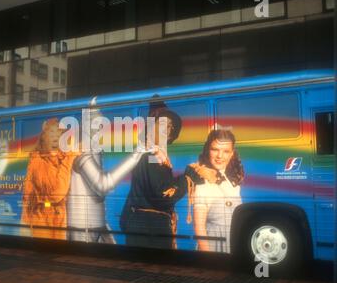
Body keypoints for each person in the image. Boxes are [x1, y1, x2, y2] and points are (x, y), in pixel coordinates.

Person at [120, 99, 208, 249]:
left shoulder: (158, 156)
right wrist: (188, 176)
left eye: (169, 126)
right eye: (161, 125)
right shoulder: (151, 156)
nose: (166, 129)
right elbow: (163, 195)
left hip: (147, 226)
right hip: (147, 227)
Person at [67, 98, 146, 243]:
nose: (100, 130)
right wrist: (136, 155)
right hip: (84, 228)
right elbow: (102, 185)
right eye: (96, 125)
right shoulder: (80, 153)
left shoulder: (93, 150)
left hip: (96, 225)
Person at [21, 118, 79, 240]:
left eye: (59, 133)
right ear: (44, 135)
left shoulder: (60, 157)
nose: (56, 136)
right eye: (52, 132)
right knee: (45, 254)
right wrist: (70, 157)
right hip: (41, 217)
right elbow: (56, 193)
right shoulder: (37, 161)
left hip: (59, 216)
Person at [192, 129, 244, 253]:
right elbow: (199, 227)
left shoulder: (232, 183)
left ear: (232, 154)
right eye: (215, 149)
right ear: (207, 150)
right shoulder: (203, 183)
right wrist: (207, 257)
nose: (220, 156)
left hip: (233, 242)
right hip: (213, 244)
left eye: (226, 151)